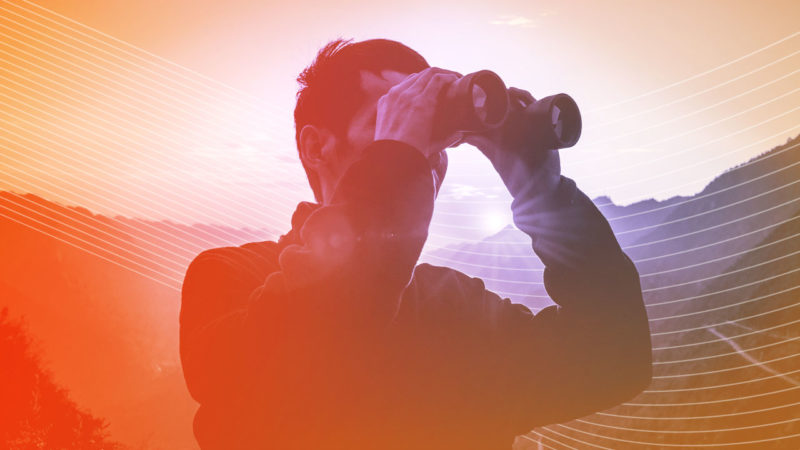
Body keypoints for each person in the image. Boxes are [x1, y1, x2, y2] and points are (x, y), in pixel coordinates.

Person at [179, 38, 652, 450]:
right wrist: (396, 162)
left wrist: (545, 195)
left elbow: (613, 356)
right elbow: (326, 336)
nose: (424, 152)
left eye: (433, 134)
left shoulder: (459, 306)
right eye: (392, 122)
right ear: (315, 147)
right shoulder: (227, 278)